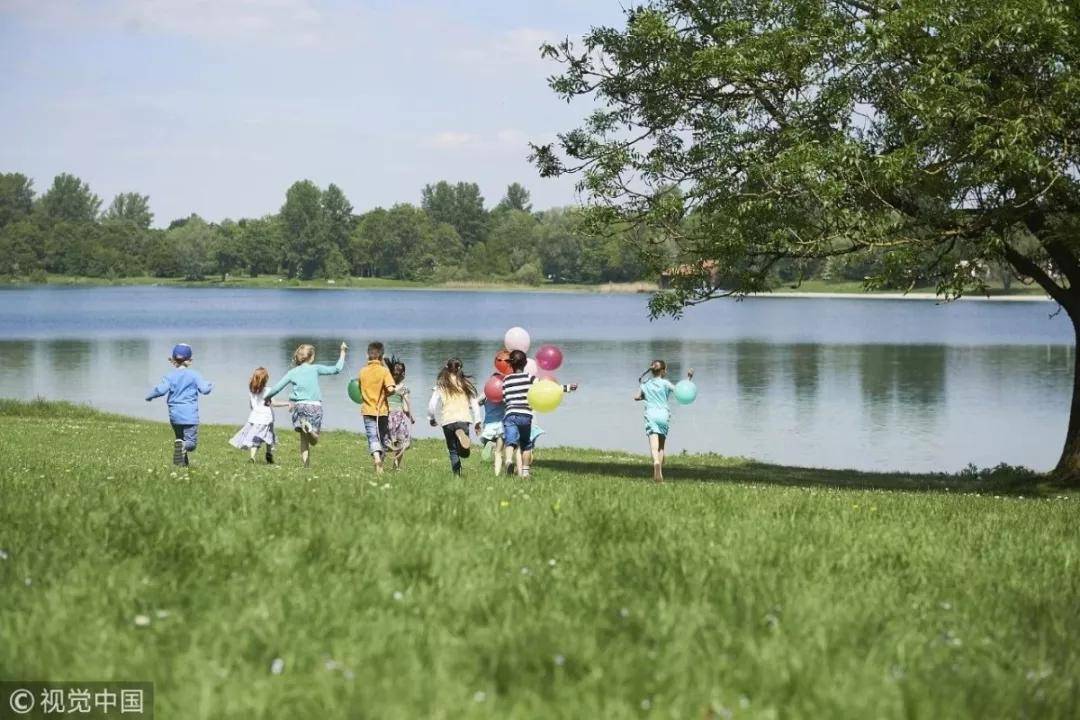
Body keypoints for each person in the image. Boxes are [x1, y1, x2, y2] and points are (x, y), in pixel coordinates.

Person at [264, 342, 347, 467]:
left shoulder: (292, 372)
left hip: (300, 407)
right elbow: (336, 369)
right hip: (314, 406)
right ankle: (311, 432)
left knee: (303, 439)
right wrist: (343, 352)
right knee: (314, 440)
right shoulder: (315, 368)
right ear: (311, 357)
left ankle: (306, 466)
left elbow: (277, 388)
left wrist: (267, 398)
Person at [501, 349, 577, 478]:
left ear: (510, 364)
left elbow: (505, 398)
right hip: (525, 415)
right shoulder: (530, 378)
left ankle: (508, 461)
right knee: (526, 444)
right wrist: (567, 388)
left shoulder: (506, 380)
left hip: (510, 414)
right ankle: (525, 473)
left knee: (510, 442)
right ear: (525, 364)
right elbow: (546, 388)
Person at [145, 343, 213, 466]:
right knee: (190, 444)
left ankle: (182, 465)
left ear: (172, 360)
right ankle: (183, 449)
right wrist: (210, 384)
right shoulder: (194, 375)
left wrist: (150, 396)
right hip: (190, 416)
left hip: (174, 415)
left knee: (179, 440)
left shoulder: (169, 376)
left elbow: (160, 390)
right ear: (190, 361)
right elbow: (205, 390)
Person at [634, 360, 694, 482]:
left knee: (653, 446)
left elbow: (636, 397)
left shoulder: (645, 384)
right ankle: (659, 470)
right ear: (662, 371)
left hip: (651, 415)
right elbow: (680, 391)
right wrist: (689, 378)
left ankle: (656, 463)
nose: (666, 371)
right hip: (663, 416)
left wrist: (643, 396)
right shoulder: (665, 383)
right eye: (666, 369)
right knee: (661, 446)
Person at [426, 358, 482, 475]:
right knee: (465, 454)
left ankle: (457, 475)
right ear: (460, 369)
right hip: (463, 419)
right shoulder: (465, 384)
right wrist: (477, 421)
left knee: (452, 450)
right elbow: (475, 404)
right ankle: (462, 437)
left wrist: (431, 418)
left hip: (448, 421)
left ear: (447, 368)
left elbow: (432, 404)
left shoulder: (441, 385)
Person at [229, 367, 289, 464]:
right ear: (265, 379)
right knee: (269, 436)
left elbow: (251, 406)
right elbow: (274, 403)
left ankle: (253, 457)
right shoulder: (269, 390)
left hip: (254, 418)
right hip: (266, 419)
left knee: (255, 437)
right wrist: (287, 403)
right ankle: (268, 453)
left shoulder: (252, 391)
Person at [358, 342, 396, 474]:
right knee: (383, 438)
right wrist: (387, 394)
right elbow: (391, 389)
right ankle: (380, 461)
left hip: (367, 410)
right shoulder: (384, 371)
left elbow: (359, 391)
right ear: (382, 355)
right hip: (382, 411)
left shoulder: (362, 371)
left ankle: (376, 458)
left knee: (372, 437)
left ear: (367, 355)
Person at [385, 357, 415, 470]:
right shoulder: (404, 389)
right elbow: (406, 409)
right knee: (401, 443)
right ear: (403, 374)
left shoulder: (387, 387)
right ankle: (396, 466)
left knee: (385, 442)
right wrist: (411, 418)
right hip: (398, 418)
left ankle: (380, 464)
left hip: (386, 417)